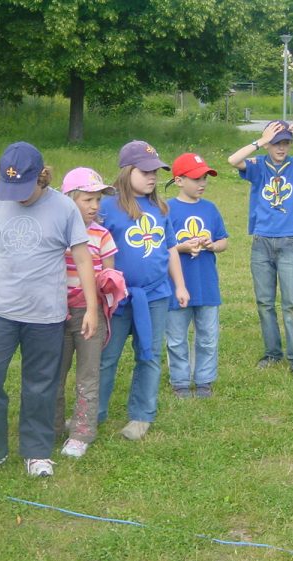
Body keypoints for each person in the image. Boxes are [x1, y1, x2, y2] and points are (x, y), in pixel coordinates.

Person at [0, 142, 98, 478]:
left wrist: (93, 308)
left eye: (25, 188)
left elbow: (83, 258)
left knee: (40, 383)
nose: (19, 196)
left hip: (45, 316)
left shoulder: (65, 209)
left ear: (42, 176)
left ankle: (37, 451)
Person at [227, 121, 293, 379]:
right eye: (277, 143)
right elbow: (233, 160)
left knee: (292, 303)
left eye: (285, 142)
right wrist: (260, 142)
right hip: (261, 242)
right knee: (264, 302)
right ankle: (272, 353)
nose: (281, 148)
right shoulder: (257, 165)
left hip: (289, 243)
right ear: (268, 143)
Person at [98, 140, 190, 440]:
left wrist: (180, 285)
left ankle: (141, 416)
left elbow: (171, 249)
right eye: (146, 171)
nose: (153, 177)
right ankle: (92, 412)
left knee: (148, 355)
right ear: (127, 171)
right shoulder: (106, 207)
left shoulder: (160, 208)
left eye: (156, 171)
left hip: (155, 296)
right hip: (118, 298)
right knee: (106, 357)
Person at [55, 167, 122, 459]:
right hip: (54, 314)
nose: (95, 206)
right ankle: (53, 426)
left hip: (89, 314)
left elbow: (110, 272)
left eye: (98, 200)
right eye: (87, 200)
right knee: (54, 373)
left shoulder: (102, 235)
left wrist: (109, 284)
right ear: (69, 199)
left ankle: (82, 432)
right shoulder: (55, 232)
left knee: (88, 373)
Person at [165, 153, 229, 399]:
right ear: (179, 181)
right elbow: (162, 247)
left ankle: (204, 380)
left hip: (206, 286)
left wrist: (212, 245)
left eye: (205, 178)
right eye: (195, 179)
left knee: (208, 338)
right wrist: (182, 247)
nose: (202, 183)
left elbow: (223, 241)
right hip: (177, 286)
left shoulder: (210, 208)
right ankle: (180, 382)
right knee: (176, 338)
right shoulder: (167, 209)